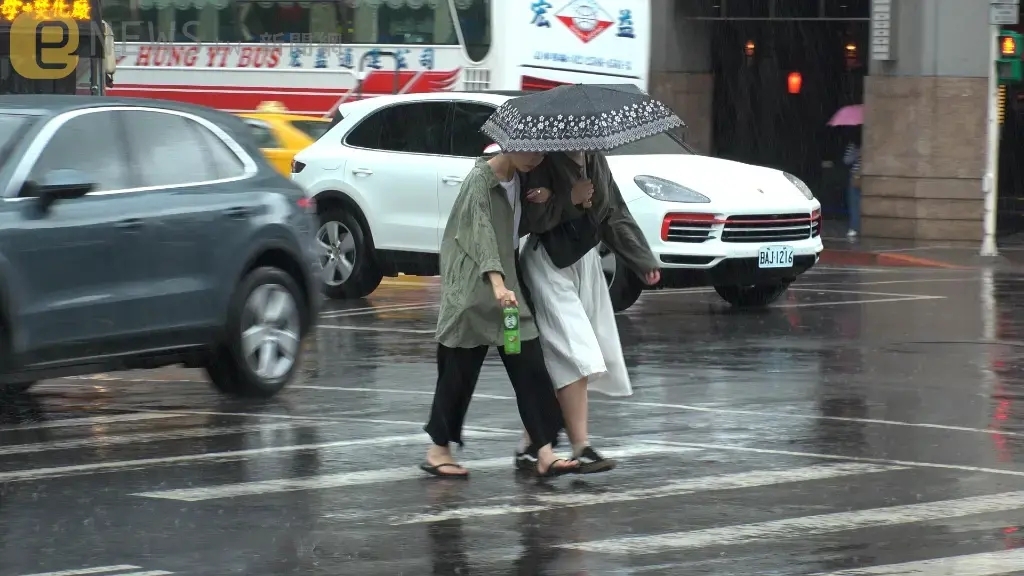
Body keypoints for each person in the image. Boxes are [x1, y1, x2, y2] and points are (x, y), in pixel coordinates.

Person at [421, 150, 579, 479]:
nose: (536, 159)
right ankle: (438, 450)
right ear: (508, 144)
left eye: (540, 153)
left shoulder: (521, 179)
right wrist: (496, 282)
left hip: (507, 291)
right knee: (457, 373)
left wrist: (554, 197)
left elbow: (519, 230)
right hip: (473, 291)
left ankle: (544, 451)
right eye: (530, 151)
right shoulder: (479, 181)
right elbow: (480, 235)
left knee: (530, 365)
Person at [515, 150, 660, 474]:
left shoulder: (594, 159)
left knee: (570, 355)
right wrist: (570, 198)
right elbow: (532, 220)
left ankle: (532, 442)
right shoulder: (541, 159)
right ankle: (581, 445)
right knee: (574, 351)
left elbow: (612, 211)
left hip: (584, 261)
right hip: (548, 262)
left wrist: (640, 258)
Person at [843, 133, 862, 240]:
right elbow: (846, 160)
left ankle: (860, 227)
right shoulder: (853, 146)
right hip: (856, 177)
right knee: (854, 202)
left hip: (868, 176)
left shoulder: (870, 144)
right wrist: (857, 154)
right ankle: (854, 227)